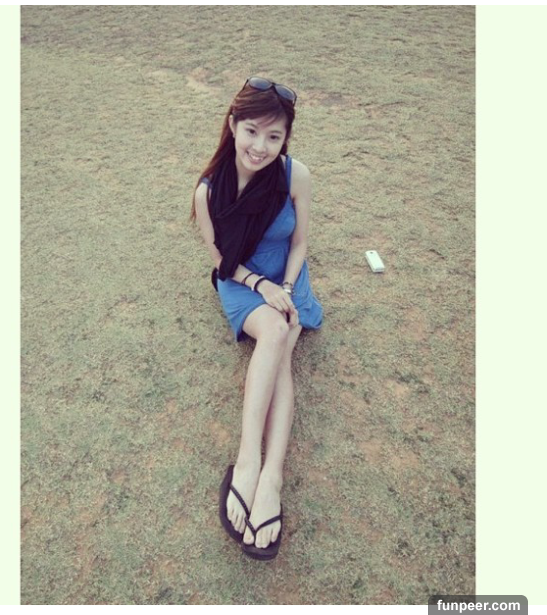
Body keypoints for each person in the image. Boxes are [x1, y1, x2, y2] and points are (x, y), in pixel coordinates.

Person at [190, 77, 323, 560]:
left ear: (286, 138)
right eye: (251, 131)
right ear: (232, 125)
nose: (260, 147)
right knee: (274, 330)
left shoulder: (295, 176)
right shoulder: (208, 191)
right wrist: (260, 287)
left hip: (286, 278)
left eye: (274, 136)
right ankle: (250, 463)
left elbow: (300, 244)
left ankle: (271, 477)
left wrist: (284, 288)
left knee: (282, 336)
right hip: (241, 280)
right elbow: (219, 259)